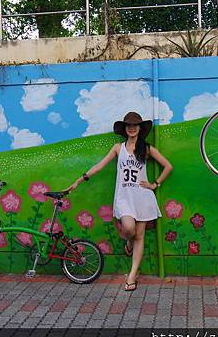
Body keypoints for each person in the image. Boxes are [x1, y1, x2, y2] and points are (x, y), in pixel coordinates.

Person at [66, 112, 173, 291]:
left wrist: (155, 184)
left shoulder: (146, 149)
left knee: (140, 235)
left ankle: (132, 275)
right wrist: (79, 180)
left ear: (140, 128)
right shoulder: (118, 148)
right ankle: (129, 243)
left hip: (143, 197)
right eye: (128, 125)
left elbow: (168, 166)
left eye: (135, 125)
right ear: (124, 129)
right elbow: (100, 165)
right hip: (124, 198)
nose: (132, 128)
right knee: (129, 228)